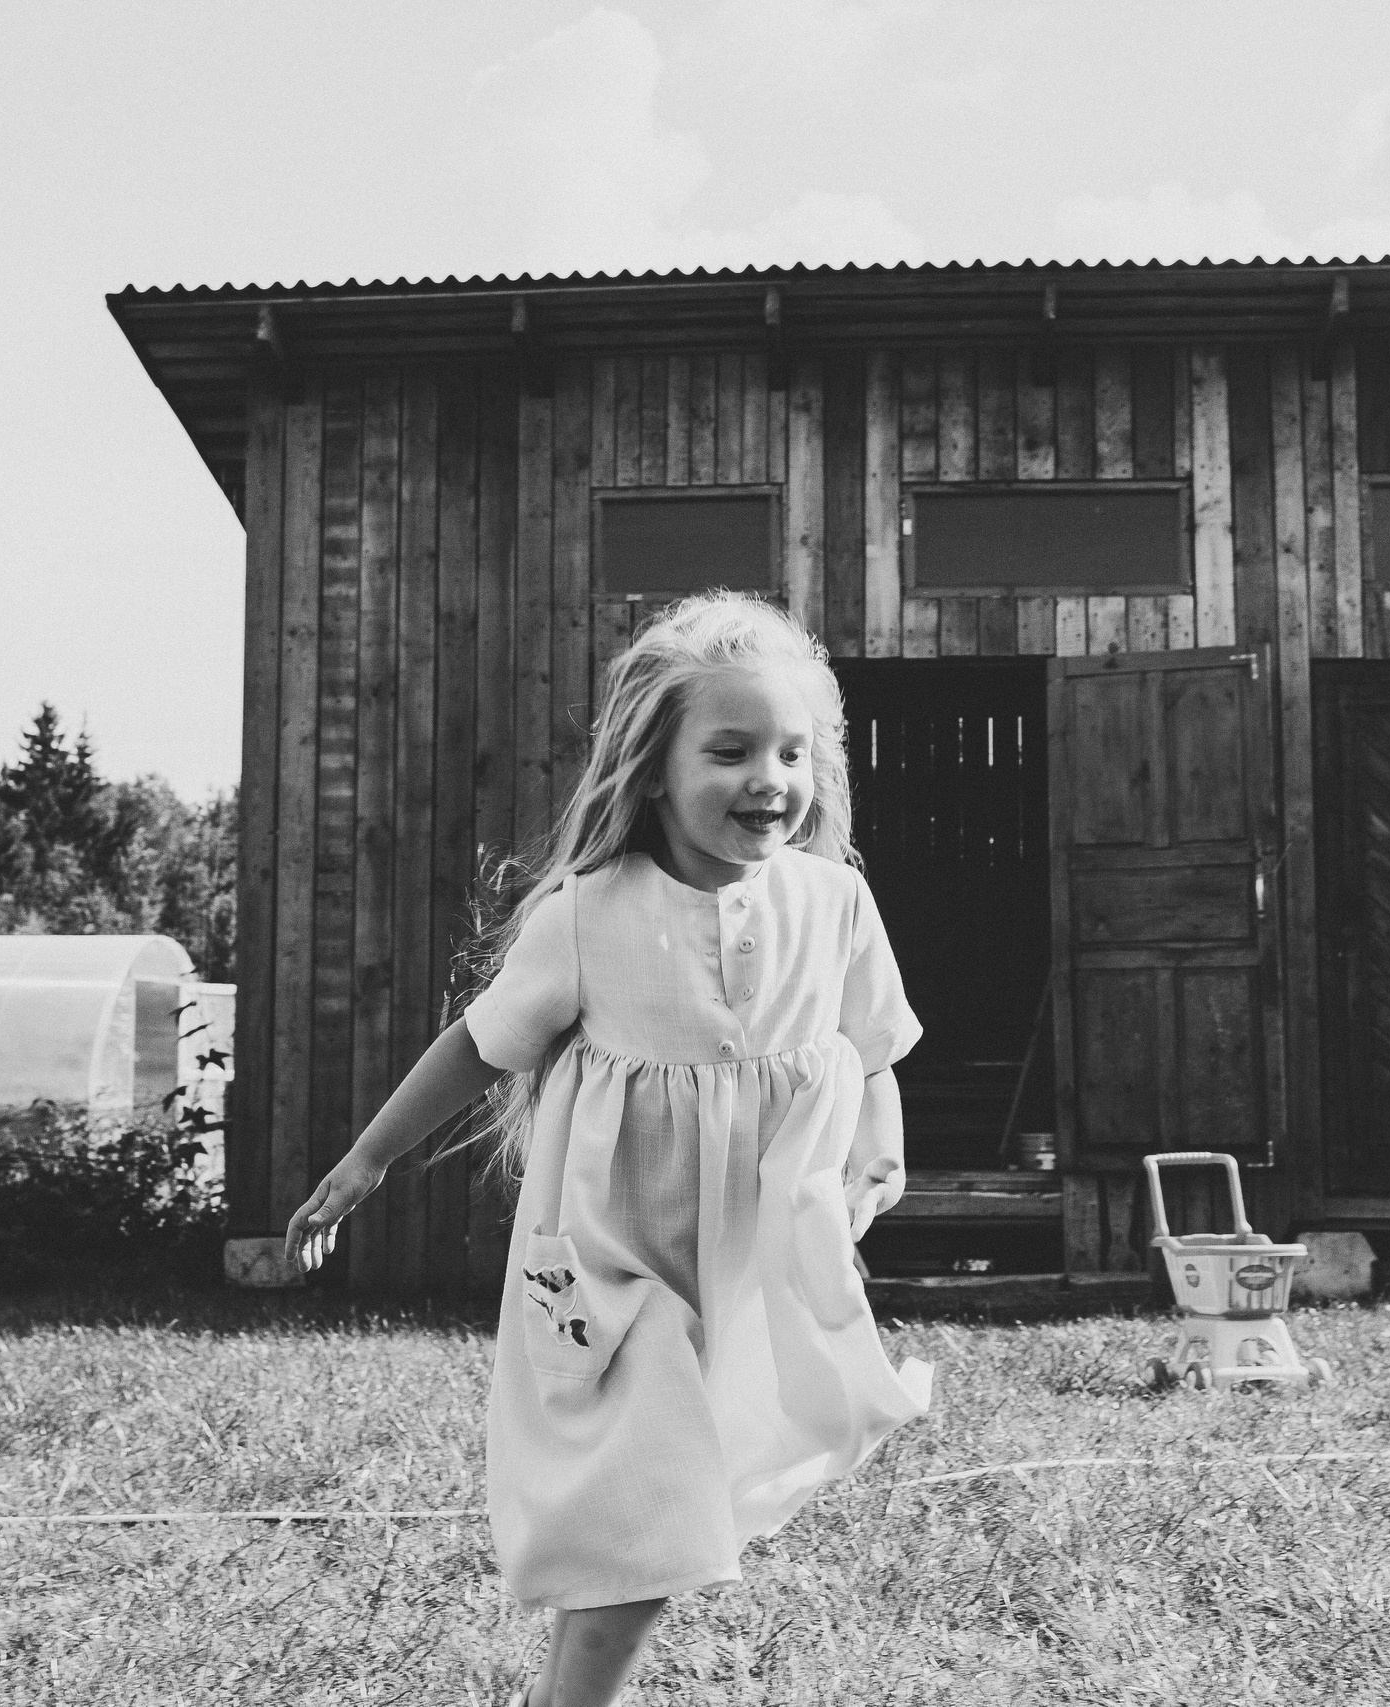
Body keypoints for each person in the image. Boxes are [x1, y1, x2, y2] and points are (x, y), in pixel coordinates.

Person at [283, 590, 932, 1707]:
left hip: (758, 1263)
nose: (765, 777)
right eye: (728, 750)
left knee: (677, 1502)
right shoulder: (590, 914)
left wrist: (879, 1139)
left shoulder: (834, 904)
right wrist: (366, 1160)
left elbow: (870, 1045)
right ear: (654, 768)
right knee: (649, 1509)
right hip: (610, 1262)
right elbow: (480, 1047)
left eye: (790, 751)